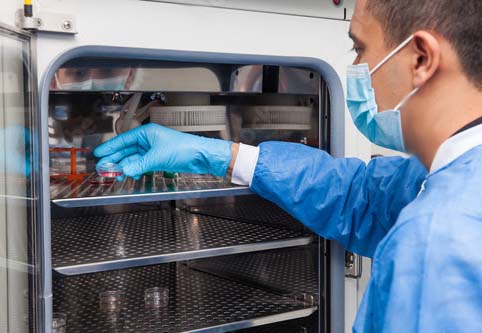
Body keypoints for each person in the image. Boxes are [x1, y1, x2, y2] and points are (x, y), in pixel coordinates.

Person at [94, 0, 482, 331]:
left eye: (359, 50)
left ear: (421, 58)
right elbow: (359, 196)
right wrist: (214, 153)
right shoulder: (453, 179)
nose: (358, 70)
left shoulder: (437, 243)